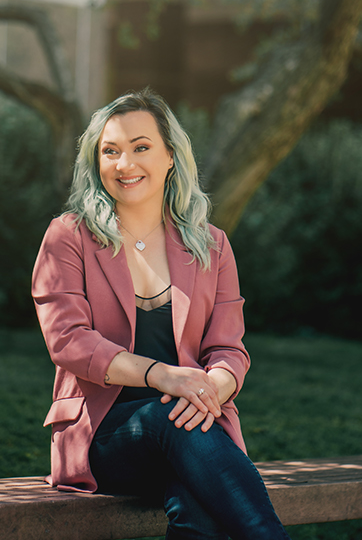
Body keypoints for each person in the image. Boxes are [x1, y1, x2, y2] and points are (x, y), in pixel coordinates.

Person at [32, 88, 291, 540]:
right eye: (110, 151)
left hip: (192, 428)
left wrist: (210, 386)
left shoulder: (212, 246)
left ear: (171, 156)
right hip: (103, 435)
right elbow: (68, 340)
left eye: (141, 147)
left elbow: (229, 349)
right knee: (166, 418)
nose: (124, 164)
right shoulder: (68, 237)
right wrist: (162, 376)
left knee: (200, 505)